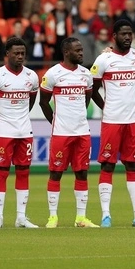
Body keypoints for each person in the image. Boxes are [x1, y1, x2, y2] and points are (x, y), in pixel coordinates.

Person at [90, 20, 135, 228]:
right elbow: (92, 89)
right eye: (123, 34)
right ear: (114, 36)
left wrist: (132, 102)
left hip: (133, 121)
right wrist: (105, 106)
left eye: (130, 33)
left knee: (133, 165)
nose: (127, 37)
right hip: (111, 121)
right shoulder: (103, 60)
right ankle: (105, 216)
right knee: (108, 165)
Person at [0, 36, 40, 229]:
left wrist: (20, 118)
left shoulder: (32, 76)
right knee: (2, 172)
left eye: (22, 53)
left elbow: (31, 100)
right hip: (4, 132)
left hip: (25, 131)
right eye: (16, 53)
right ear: (7, 54)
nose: (20, 56)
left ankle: (21, 217)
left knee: (23, 171)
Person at [39, 37, 98, 228]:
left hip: (82, 133)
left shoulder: (86, 74)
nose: (81, 53)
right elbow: (43, 102)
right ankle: (53, 217)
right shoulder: (53, 74)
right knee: (56, 173)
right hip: (61, 133)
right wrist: (55, 122)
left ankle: (81, 218)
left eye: (81, 50)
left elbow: (87, 100)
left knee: (82, 173)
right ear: (66, 52)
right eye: (77, 50)